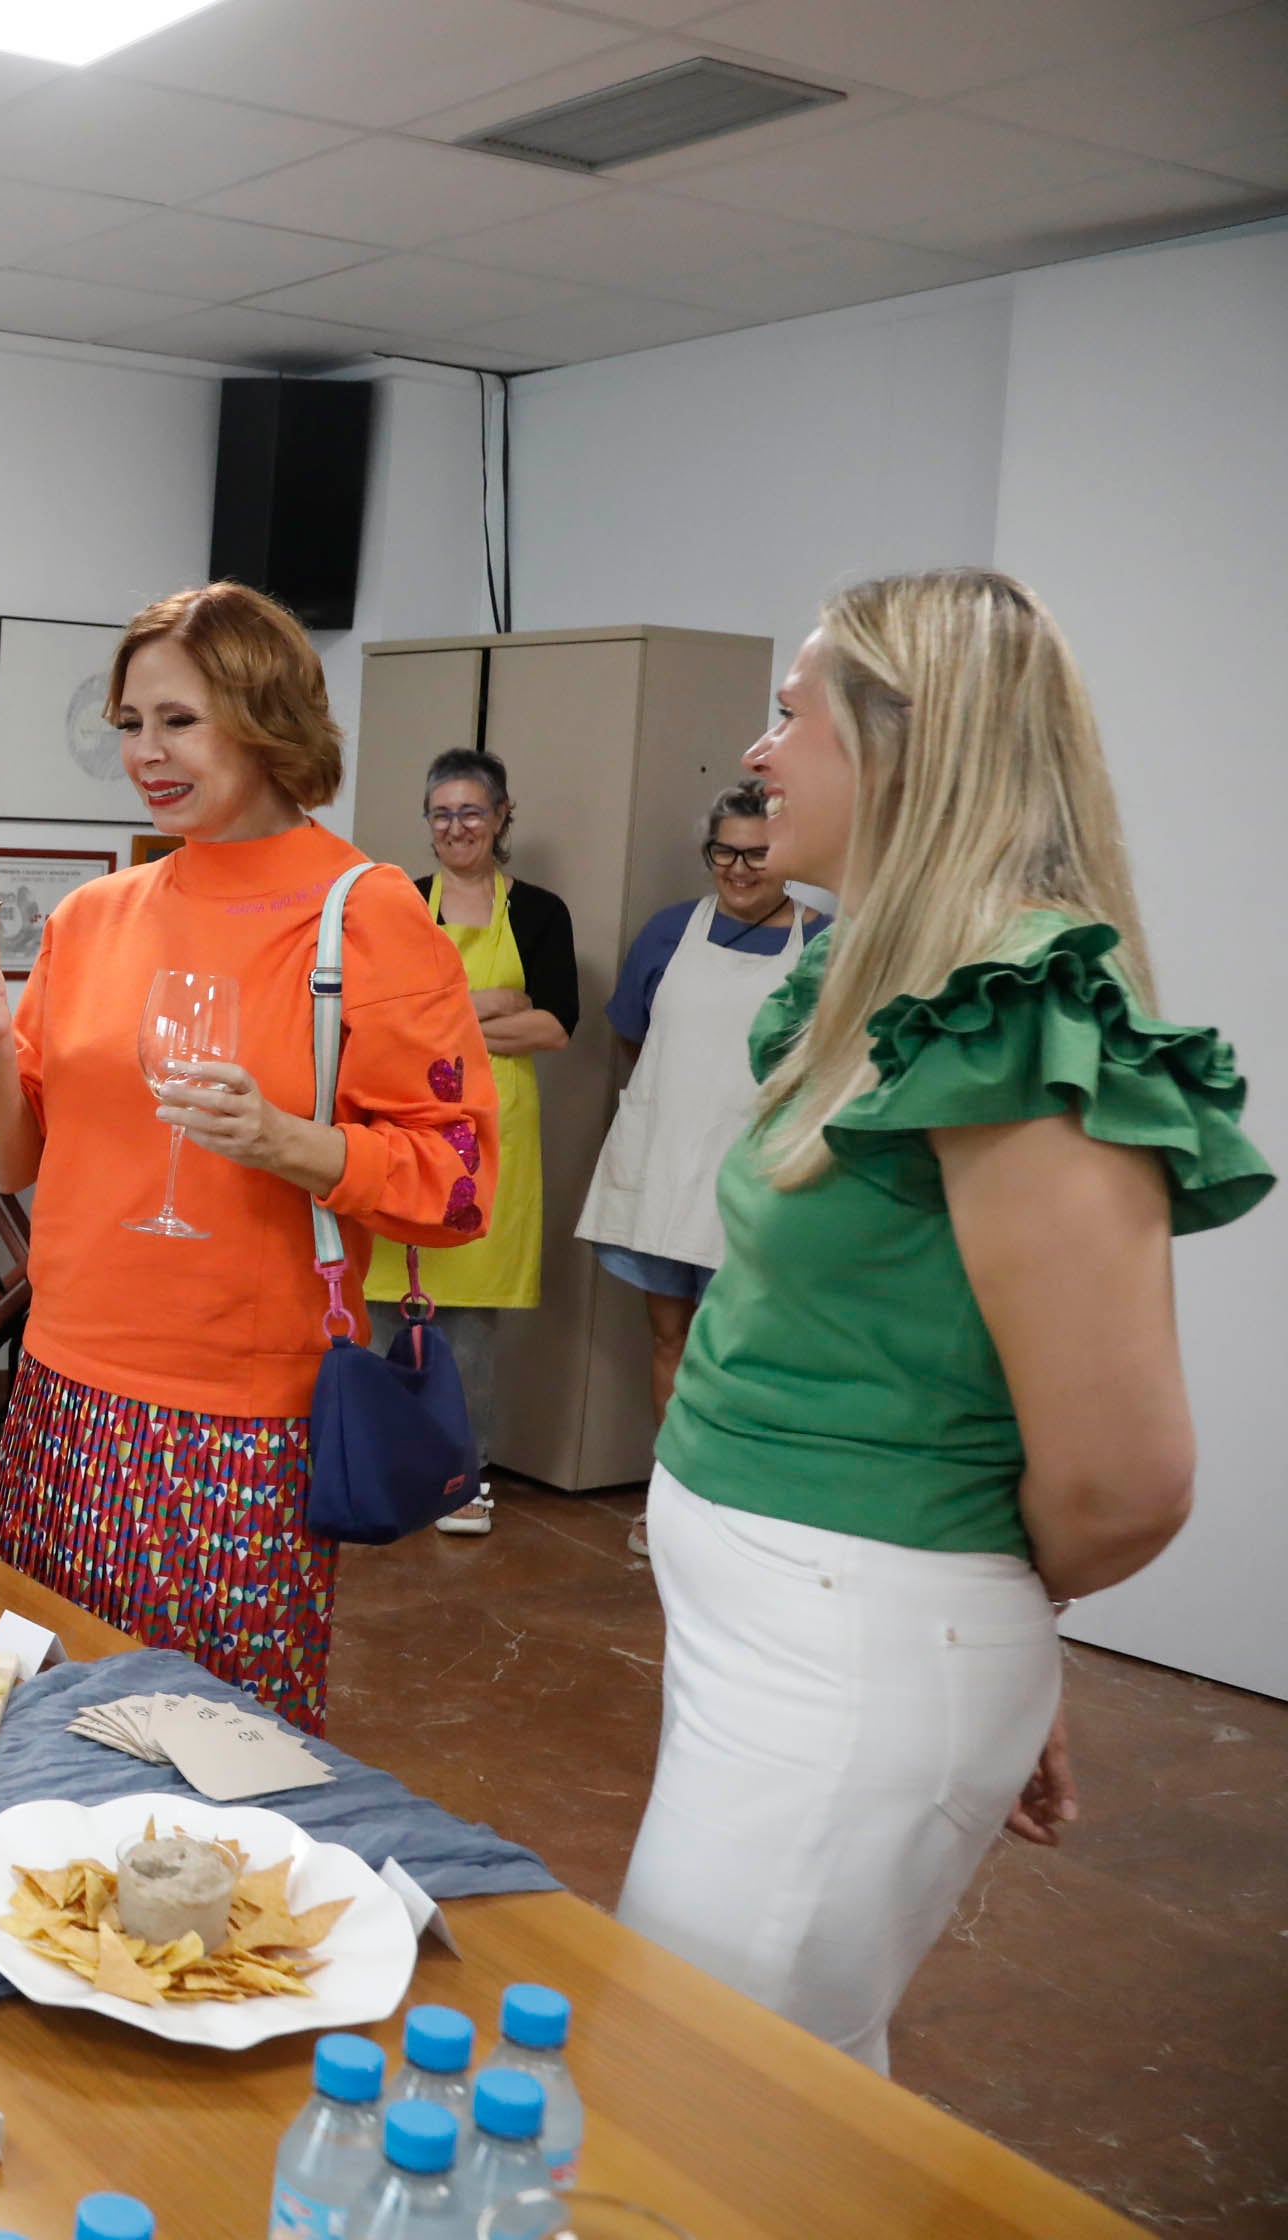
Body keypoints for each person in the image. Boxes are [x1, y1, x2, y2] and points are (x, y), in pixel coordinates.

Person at [614, 570, 1267, 2073]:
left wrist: (965, 1633)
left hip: (849, 1657)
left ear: (905, 745)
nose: (760, 754)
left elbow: (1124, 1478)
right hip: (808, 1643)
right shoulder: (883, 967)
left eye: (792, 716)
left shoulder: (1017, 1008)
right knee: (771, 2094)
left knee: (704, 2088)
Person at [0, 584, 495, 1732]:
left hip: (242, 1415)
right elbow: (17, 1153)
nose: (145, 753)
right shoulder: (95, 916)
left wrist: (293, 1143)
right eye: (129, 723)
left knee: (205, 1745)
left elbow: (458, 1184)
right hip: (63, 1390)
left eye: (178, 720)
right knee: (41, 1721)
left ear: (267, 713)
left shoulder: (366, 914)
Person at [577, 779, 823, 1555]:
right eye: (725, 851)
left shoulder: (822, 944)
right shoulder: (667, 932)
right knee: (670, 1343)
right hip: (667, 1167)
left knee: (746, 1355)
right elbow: (632, 1036)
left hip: (757, 1180)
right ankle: (674, 1504)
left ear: (787, 856)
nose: (740, 869)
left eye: (759, 854)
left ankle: (739, 1514)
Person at [366, 747, 574, 1535]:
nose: (457, 827)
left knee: (471, 1327)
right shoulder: (399, 905)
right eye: (441, 813)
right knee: (386, 1308)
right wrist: (491, 1000)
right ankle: (385, 1470)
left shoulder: (542, 913)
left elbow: (554, 1026)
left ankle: (463, 1478)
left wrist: (444, 1020)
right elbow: (381, 1019)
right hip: (402, 1127)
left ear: (502, 816)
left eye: (472, 811)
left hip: (493, 1140)